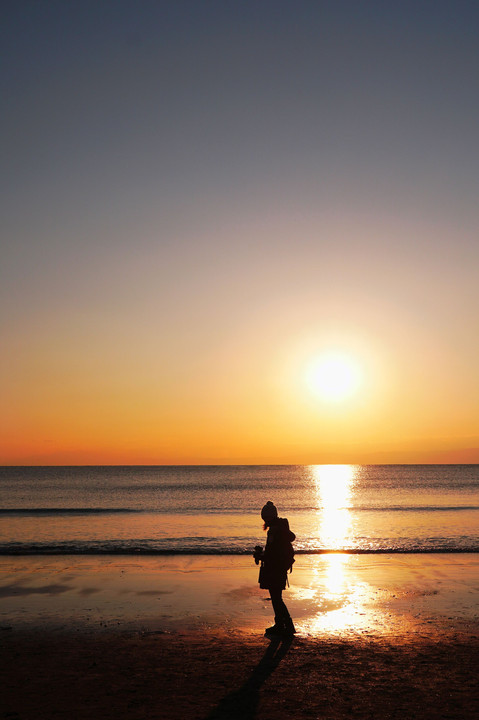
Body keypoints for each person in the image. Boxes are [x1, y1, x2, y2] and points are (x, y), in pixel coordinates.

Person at [253, 501, 296, 636]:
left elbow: (274, 554)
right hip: (279, 568)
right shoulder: (279, 528)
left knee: (276, 598)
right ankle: (283, 625)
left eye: (266, 517)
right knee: (276, 597)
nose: (265, 520)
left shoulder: (276, 530)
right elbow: (274, 552)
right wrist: (263, 555)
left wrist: (261, 556)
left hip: (276, 568)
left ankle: (286, 626)